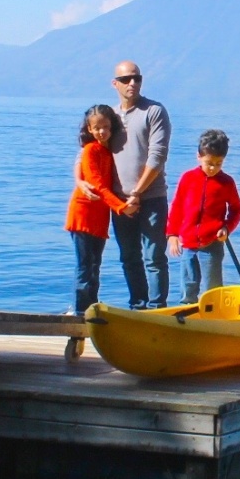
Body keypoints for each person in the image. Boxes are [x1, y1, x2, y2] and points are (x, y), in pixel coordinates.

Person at [105, 60, 172, 309]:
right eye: (125, 79)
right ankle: (138, 305)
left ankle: (157, 308)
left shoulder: (154, 111)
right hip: (120, 201)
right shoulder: (110, 116)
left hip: (151, 197)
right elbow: (91, 149)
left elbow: (158, 156)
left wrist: (137, 192)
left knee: (154, 256)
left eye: (137, 78)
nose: (132, 83)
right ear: (115, 84)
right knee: (129, 257)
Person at [64, 104, 128, 315]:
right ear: (89, 129)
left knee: (95, 266)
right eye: (97, 127)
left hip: (100, 218)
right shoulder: (90, 150)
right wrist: (121, 207)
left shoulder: (109, 152)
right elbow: (97, 184)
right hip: (83, 215)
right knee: (84, 266)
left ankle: (91, 307)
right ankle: (80, 311)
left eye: (106, 127)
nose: (102, 131)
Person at [167, 129, 240, 304]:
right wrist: (172, 234)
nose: (213, 168)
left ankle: (215, 314)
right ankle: (187, 316)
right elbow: (177, 207)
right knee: (188, 286)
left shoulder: (226, 182)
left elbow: (236, 210)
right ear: (199, 157)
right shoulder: (188, 178)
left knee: (212, 287)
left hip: (212, 244)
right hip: (188, 244)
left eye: (219, 164)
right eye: (209, 163)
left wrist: (226, 228)